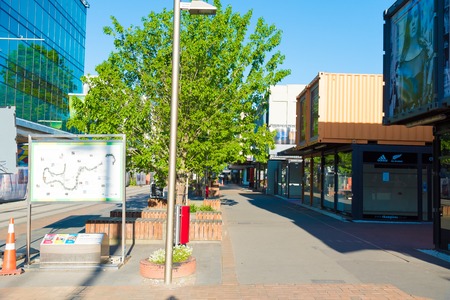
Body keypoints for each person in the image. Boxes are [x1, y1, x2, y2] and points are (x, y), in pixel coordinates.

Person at [395, 0, 434, 113]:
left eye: (416, 16)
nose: (413, 22)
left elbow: (429, 90)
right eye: (410, 19)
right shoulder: (400, 63)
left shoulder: (427, 53)